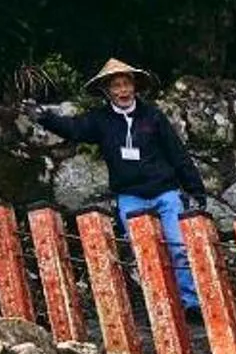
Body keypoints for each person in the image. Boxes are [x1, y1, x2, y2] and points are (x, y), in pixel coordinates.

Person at [31, 59, 207, 311]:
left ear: (134, 87)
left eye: (126, 84)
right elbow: (74, 128)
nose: (123, 91)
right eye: (116, 85)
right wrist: (44, 117)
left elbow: (177, 153)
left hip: (165, 192)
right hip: (130, 196)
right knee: (145, 253)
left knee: (178, 246)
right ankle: (161, 305)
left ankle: (190, 303)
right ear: (107, 90)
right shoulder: (100, 120)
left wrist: (195, 190)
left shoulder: (153, 116)